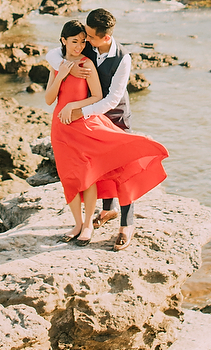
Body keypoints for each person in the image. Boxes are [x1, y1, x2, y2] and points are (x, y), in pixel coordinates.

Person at [46, 19, 168, 249]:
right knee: (98, 166)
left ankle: (126, 224)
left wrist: (78, 110)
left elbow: (111, 98)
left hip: (114, 116)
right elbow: (55, 54)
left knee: (122, 166)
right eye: (83, 38)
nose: (86, 42)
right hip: (86, 117)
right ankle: (106, 211)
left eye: (89, 38)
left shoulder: (123, 58)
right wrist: (66, 69)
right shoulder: (85, 47)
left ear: (105, 38)